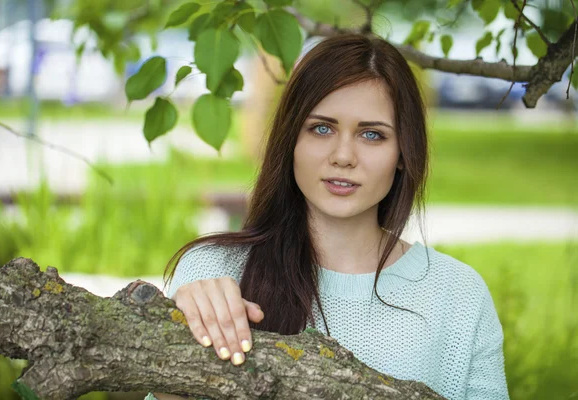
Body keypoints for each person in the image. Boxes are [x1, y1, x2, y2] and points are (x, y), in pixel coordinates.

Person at [149, 33, 509, 400]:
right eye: (322, 128)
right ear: (292, 139)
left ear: (403, 152)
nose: (343, 156)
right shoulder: (210, 273)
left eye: (372, 135)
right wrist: (176, 350)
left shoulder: (459, 295)